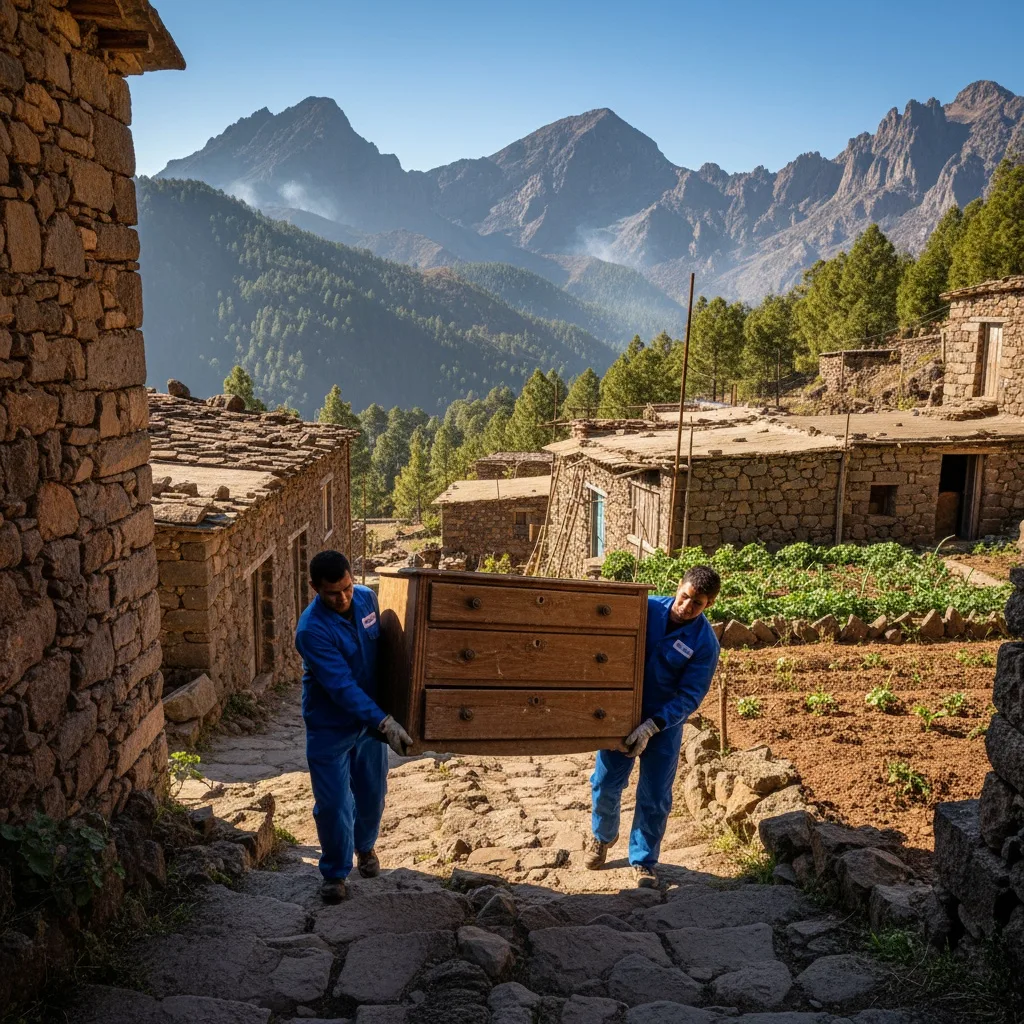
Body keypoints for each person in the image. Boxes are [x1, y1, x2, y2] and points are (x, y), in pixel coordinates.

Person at [585, 564, 721, 887]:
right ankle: (602, 837)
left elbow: (690, 695)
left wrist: (652, 726)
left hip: (663, 725)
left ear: (708, 605)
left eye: (697, 603)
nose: (686, 606)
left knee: (656, 794)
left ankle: (644, 860)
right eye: (685, 596)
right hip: (622, 715)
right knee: (605, 782)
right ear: (678, 586)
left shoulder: (704, 644)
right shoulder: (644, 609)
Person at [295, 550, 413, 903]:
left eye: (347, 587)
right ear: (315, 587)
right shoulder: (311, 631)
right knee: (333, 804)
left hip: (372, 722)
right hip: (330, 726)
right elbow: (341, 686)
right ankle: (334, 872)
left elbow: (389, 652)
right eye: (333, 593)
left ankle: (365, 847)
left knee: (373, 794)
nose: (344, 597)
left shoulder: (367, 599)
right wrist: (384, 721)